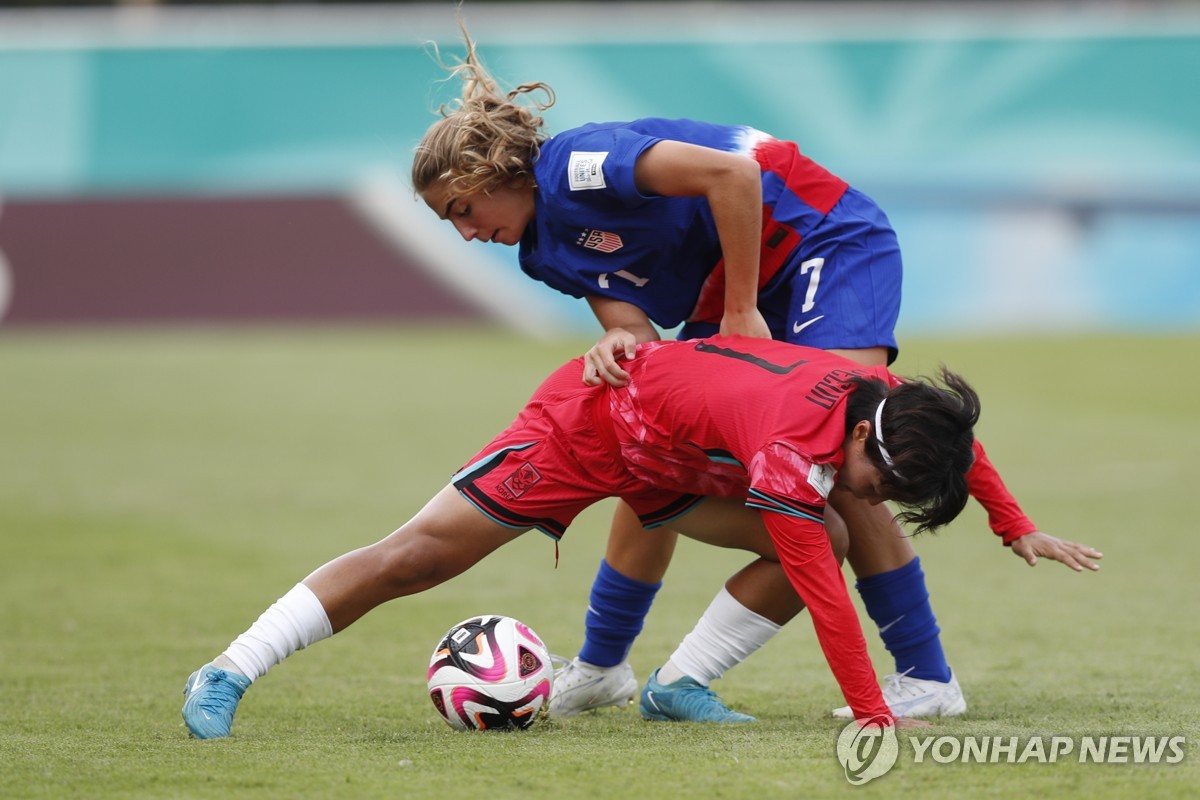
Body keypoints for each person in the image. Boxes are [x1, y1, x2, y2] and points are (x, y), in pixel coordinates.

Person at [410, 21, 1102, 723]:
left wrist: (741, 309)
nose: (466, 233)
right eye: (449, 222)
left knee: (846, 449)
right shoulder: (544, 248)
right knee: (650, 448)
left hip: (820, 238)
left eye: (463, 209)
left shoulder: (579, 164)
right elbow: (633, 334)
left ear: (497, 175)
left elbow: (734, 173)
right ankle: (601, 666)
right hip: (733, 274)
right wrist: (616, 348)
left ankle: (926, 676)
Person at [183, 335, 987, 739]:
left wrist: (1012, 521)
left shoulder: (881, 398)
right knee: (417, 557)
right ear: (867, 442)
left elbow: (958, 446)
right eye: (875, 481)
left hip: (674, 465)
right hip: (588, 429)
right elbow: (825, 601)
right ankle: (227, 672)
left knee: (834, 533)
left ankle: (677, 688)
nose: (866, 493)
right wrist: (874, 716)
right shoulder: (788, 454)